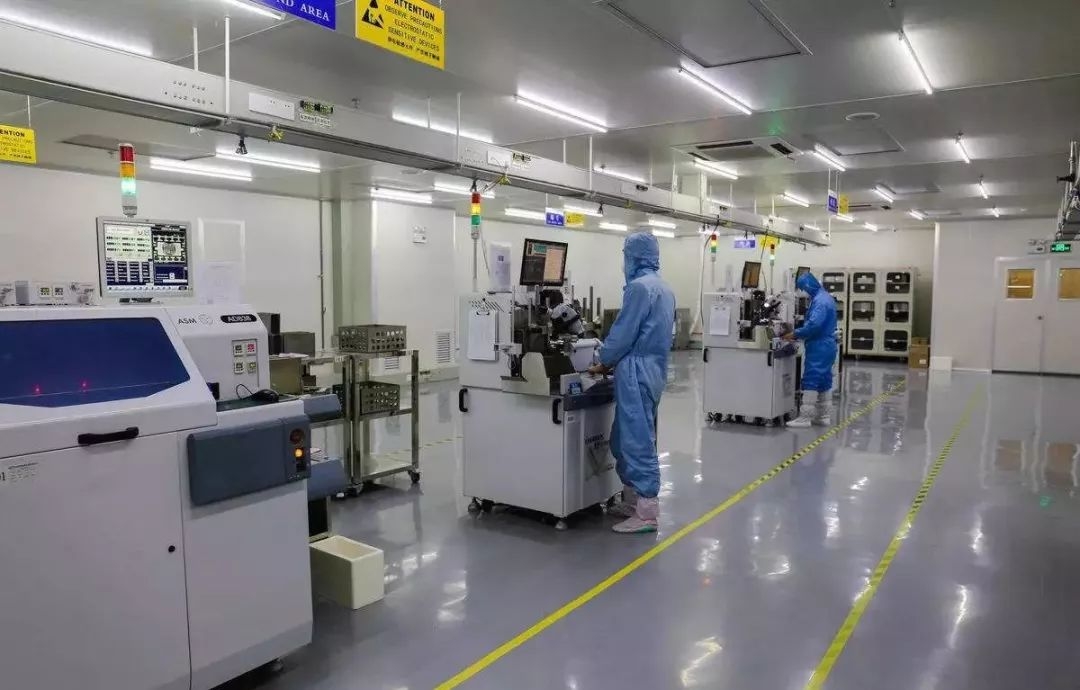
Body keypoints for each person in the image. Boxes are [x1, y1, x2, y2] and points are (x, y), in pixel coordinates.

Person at [588, 232, 675, 533]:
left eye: (625, 255)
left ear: (634, 256)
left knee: (637, 440)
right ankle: (634, 500)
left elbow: (624, 333)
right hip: (654, 370)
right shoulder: (664, 287)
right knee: (624, 437)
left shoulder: (639, 288)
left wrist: (604, 359)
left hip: (636, 371)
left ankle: (647, 512)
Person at [783, 271, 838, 427]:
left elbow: (814, 326)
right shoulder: (825, 297)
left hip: (819, 345)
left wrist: (795, 334)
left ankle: (805, 418)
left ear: (808, 286)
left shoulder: (820, 302)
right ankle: (823, 416)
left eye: (802, 289)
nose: (803, 293)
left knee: (812, 379)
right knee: (824, 379)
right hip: (828, 345)